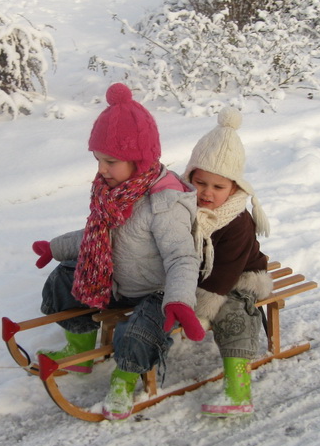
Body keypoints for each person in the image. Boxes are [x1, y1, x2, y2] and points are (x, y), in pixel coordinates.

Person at [32, 83, 204, 421]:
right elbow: (97, 238)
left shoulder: (164, 205)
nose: (101, 170)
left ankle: (124, 379)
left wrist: (180, 299)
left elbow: (182, 258)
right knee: (66, 276)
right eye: (98, 160)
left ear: (139, 161)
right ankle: (80, 352)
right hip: (116, 282)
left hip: (155, 291)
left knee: (139, 330)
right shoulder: (112, 193)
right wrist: (55, 247)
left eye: (111, 161)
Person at [182, 108, 273, 418]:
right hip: (199, 275)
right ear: (189, 177)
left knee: (233, 313)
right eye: (200, 182)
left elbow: (223, 275)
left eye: (218, 187)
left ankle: (238, 389)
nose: (206, 193)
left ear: (234, 189)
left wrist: (203, 312)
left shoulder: (237, 223)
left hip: (239, 275)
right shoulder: (181, 208)